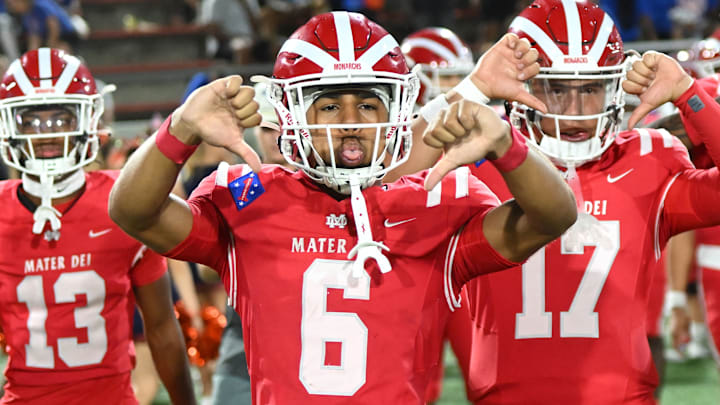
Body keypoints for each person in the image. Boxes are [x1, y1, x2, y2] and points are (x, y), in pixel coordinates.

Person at [109, 11, 577, 403]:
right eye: (329, 107)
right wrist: (179, 129)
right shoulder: (249, 196)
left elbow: (554, 216)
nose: (350, 122)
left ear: (396, 112)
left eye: (368, 105)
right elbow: (133, 212)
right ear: (292, 114)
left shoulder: (437, 200)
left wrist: (507, 145)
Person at [393, 0, 720, 403]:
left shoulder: (648, 158)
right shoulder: (478, 160)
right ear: (521, 88)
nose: (576, 112)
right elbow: (380, 177)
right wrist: (473, 88)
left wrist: (689, 93)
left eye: (591, 89)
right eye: (557, 90)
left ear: (614, 87)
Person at [0, 48, 196, 405]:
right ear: (10, 125)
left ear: (87, 120)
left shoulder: (123, 201)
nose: (45, 134)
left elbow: (162, 328)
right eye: (31, 121)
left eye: (61, 119)